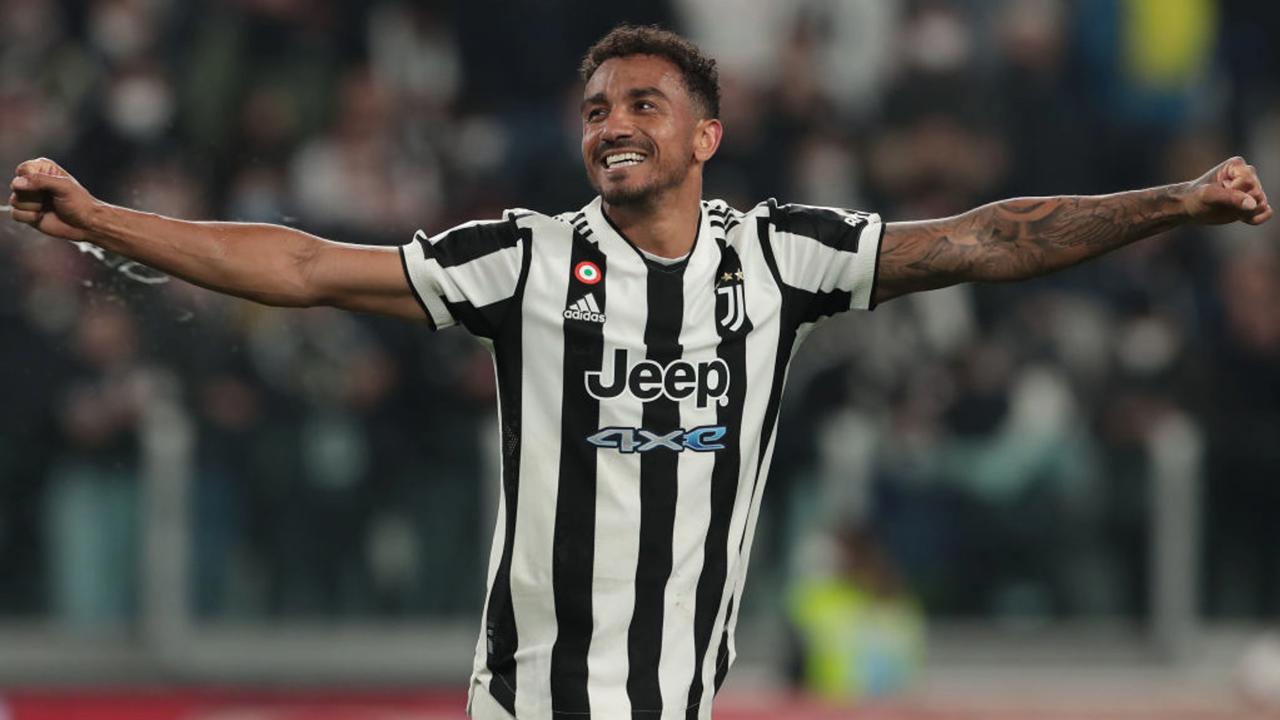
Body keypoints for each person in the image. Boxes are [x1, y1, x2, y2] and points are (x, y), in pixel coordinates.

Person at [7, 24, 1271, 720]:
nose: (610, 124)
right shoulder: (520, 259)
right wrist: (105, 217)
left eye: (642, 104)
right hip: (532, 707)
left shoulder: (783, 256)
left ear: (705, 134)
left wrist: (1173, 202)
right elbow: (300, 266)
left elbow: (992, 236)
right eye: (596, 108)